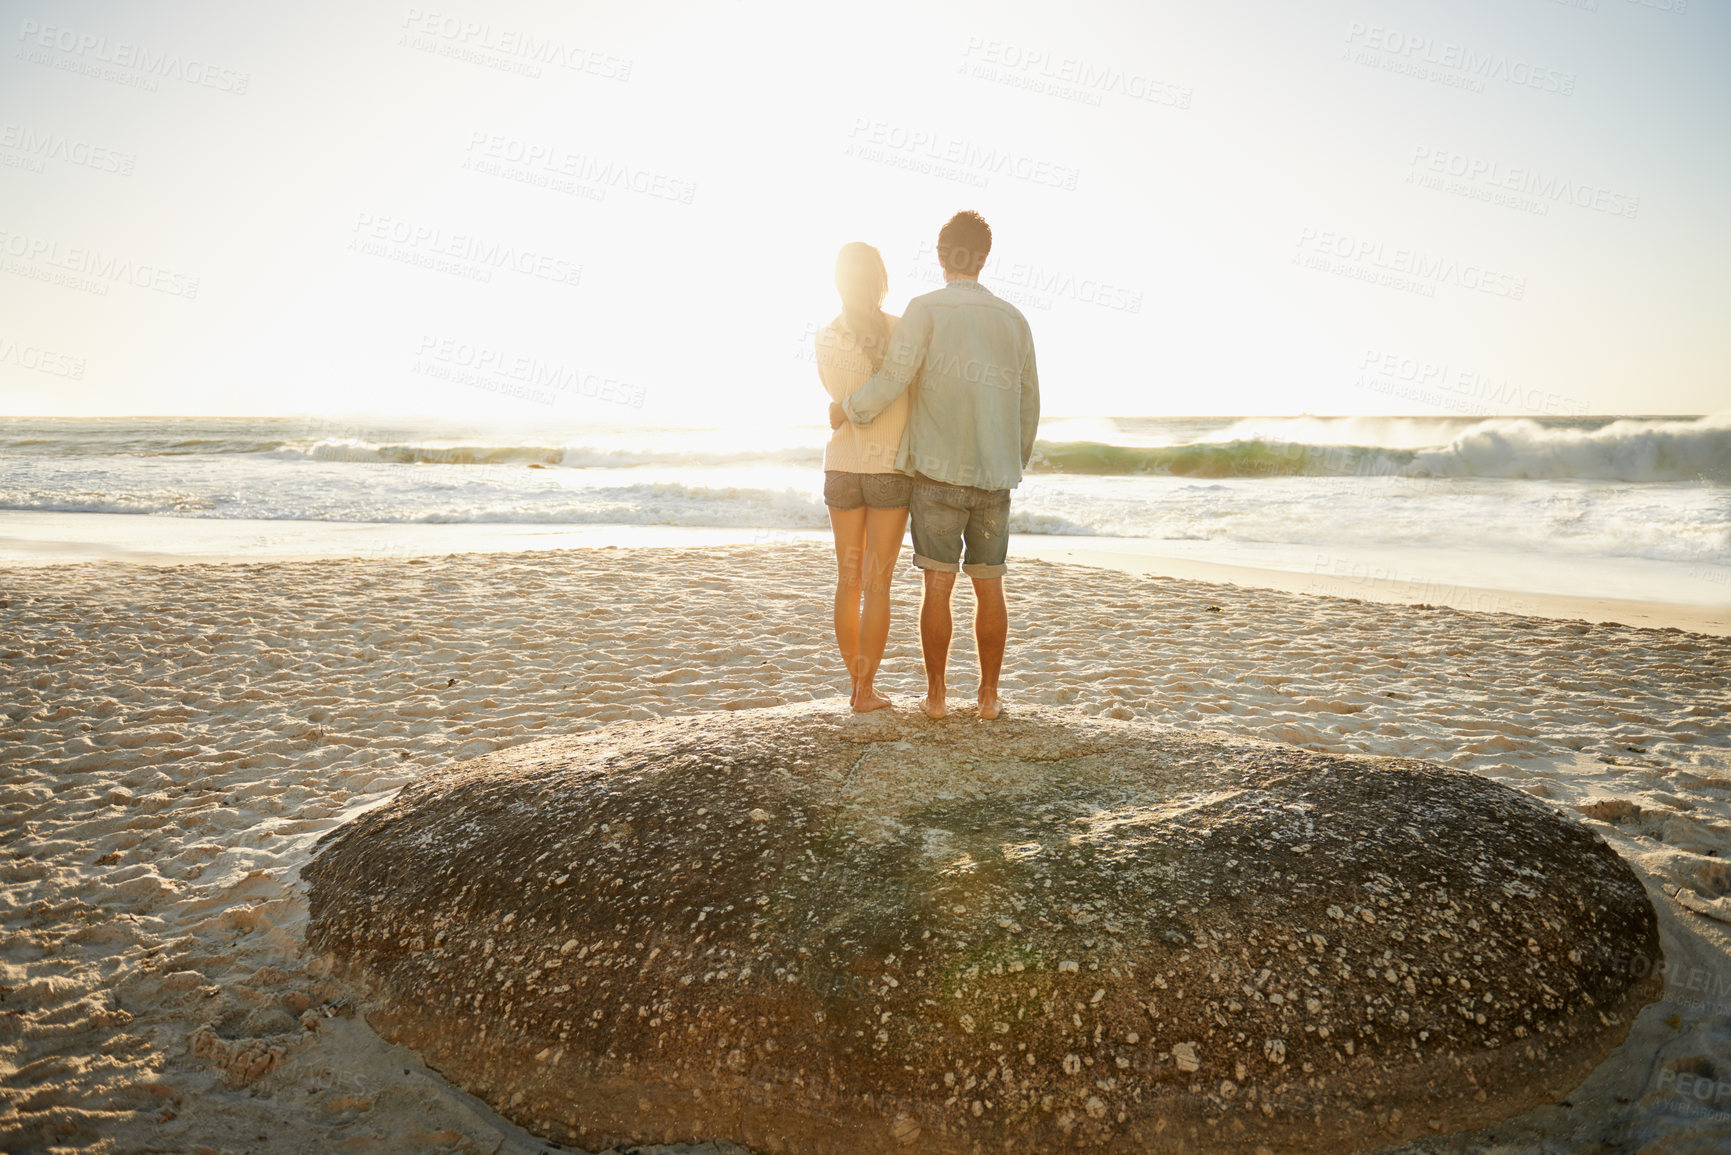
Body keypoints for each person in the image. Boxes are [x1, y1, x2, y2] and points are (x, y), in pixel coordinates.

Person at [830, 211, 1040, 720]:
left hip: (935, 475)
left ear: (941, 256)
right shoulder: (1014, 319)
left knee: (938, 587)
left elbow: (895, 378)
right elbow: (1029, 403)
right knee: (990, 584)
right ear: (983, 257)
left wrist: (849, 409)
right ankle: (989, 698)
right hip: (994, 477)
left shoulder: (923, 310)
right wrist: (1013, 461)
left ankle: (938, 697)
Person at [816, 242, 910, 713]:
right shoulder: (899, 332)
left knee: (848, 581)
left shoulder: (825, 336)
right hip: (889, 469)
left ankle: (857, 685)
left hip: (842, 466)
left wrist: (846, 409)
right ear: (880, 280)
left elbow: (836, 398)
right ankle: (864, 690)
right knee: (877, 585)